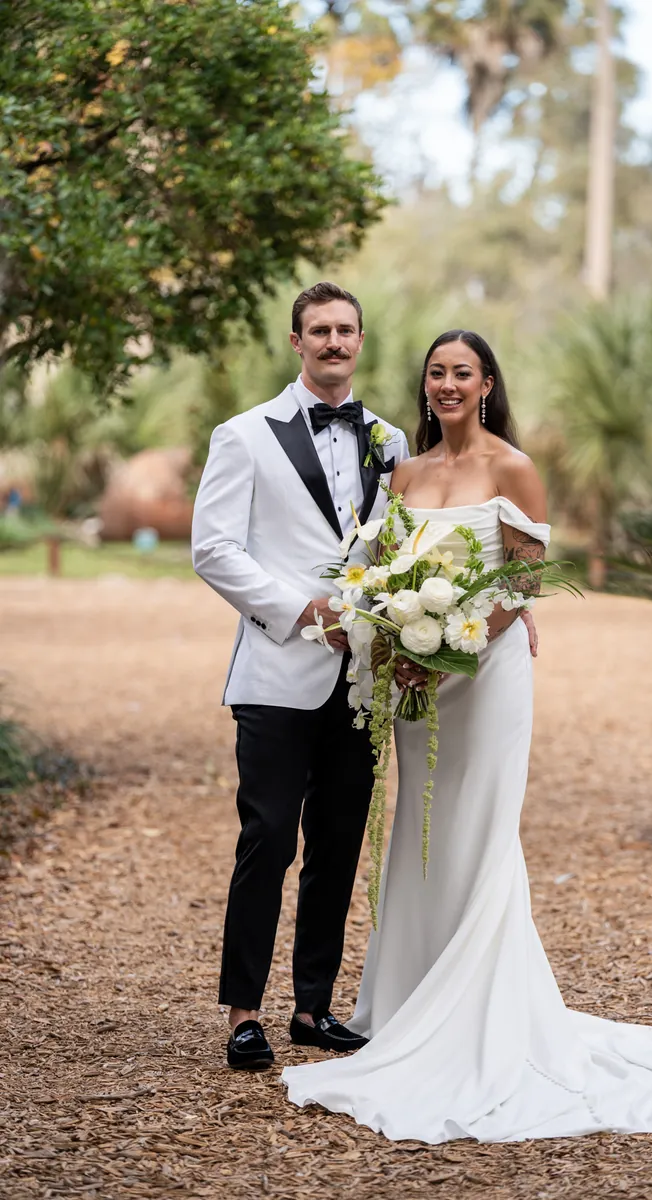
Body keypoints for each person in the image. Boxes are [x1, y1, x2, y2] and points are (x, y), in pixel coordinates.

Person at [282, 329, 652, 1142]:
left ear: (486, 384)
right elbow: (380, 570)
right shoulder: (405, 472)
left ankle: (481, 1013)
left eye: (461, 374)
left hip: (487, 674)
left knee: (479, 828)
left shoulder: (514, 468)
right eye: (436, 373)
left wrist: (455, 648)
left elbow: (521, 580)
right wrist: (397, 644)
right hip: (418, 681)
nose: (446, 385)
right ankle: (407, 1006)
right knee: (424, 826)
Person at [191, 282, 410, 1069]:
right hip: (278, 673)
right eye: (319, 330)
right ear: (296, 343)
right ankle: (243, 1013)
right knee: (269, 839)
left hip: (360, 682)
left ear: (360, 340)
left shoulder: (391, 441)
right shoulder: (243, 436)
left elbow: (404, 553)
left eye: (346, 330)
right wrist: (300, 610)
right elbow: (214, 549)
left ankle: (312, 1008)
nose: (333, 342)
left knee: (339, 845)